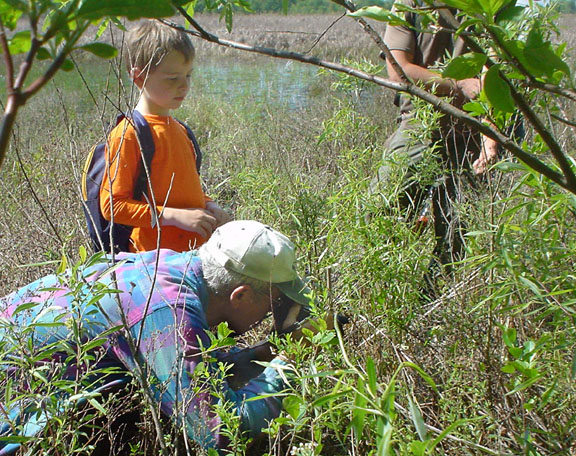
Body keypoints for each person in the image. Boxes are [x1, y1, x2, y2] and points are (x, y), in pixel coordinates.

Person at [0, 220, 322, 454]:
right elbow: (220, 432)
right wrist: (289, 363)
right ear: (240, 295)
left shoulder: (174, 267)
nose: (271, 314)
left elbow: (195, 367)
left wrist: (269, 351)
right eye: (272, 303)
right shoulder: (167, 310)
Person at [372, 0, 499, 276]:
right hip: (421, 123)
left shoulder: (488, 5)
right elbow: (398, 69)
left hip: (473, 129)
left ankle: (433, 303)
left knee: (458, 233)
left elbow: (497, 76)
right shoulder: (410, 4)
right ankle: (377, 293)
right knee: (381, 211)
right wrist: (458, 85)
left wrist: (491, 140)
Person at [100, 20, 230, 253]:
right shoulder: (129, 134)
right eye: (172, 78)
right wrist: (174, 217)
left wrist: (210, 205)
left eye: (188, 76)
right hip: (152, 263)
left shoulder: (181, 130)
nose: (184, 86)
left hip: (192, 255)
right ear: (138, 77)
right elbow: (113, 206)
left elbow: (181, 191)